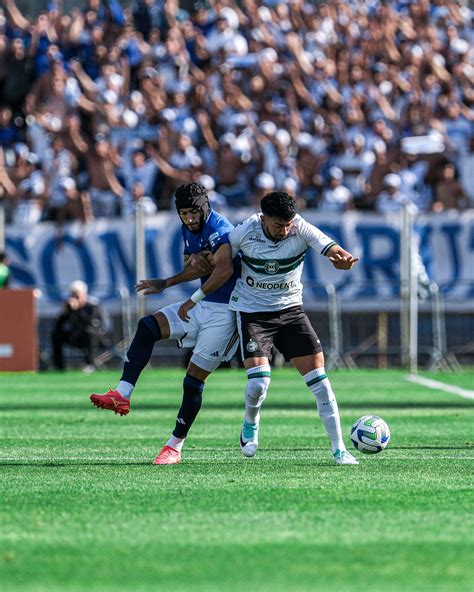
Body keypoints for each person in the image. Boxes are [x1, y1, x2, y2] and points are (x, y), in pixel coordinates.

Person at [178, 192, 360, 465]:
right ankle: (251, 421)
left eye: (288, 224)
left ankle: (339, 450)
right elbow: (221, 259)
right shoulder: (245, 232)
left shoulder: (300, 227)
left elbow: (331, 248)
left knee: (321, 384)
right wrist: (198, 265)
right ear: (263, 219)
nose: (284, 230)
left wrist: (342, 258)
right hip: (253, 314)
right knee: (259, 384)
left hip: (291, 313)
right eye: (278, 225)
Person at [90, 182, 240, 465]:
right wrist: (169, 280)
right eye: (184, 213)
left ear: (205, 207)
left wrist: (191, 296)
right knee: (148, 326)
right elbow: (192, 265)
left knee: (193, 379)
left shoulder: (221, 228)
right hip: (204, 304)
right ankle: (122, 394)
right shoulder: (189, 228)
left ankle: (174, 446)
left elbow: (224, 270)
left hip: (225, 312)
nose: (190, 218)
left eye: (194, 212)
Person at [51, 280, 108, 373]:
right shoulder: (70, 307)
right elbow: (58, 325)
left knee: (89, 332)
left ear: (84, 295)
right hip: (76, 336)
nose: (74, 298)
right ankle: (59, 367)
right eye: (72, 296)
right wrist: (64, 313)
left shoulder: (92, 306)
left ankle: (89, 364)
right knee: (55, 335)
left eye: (77, 296)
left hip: (94, 338)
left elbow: (89, 323)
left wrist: (76, 309)